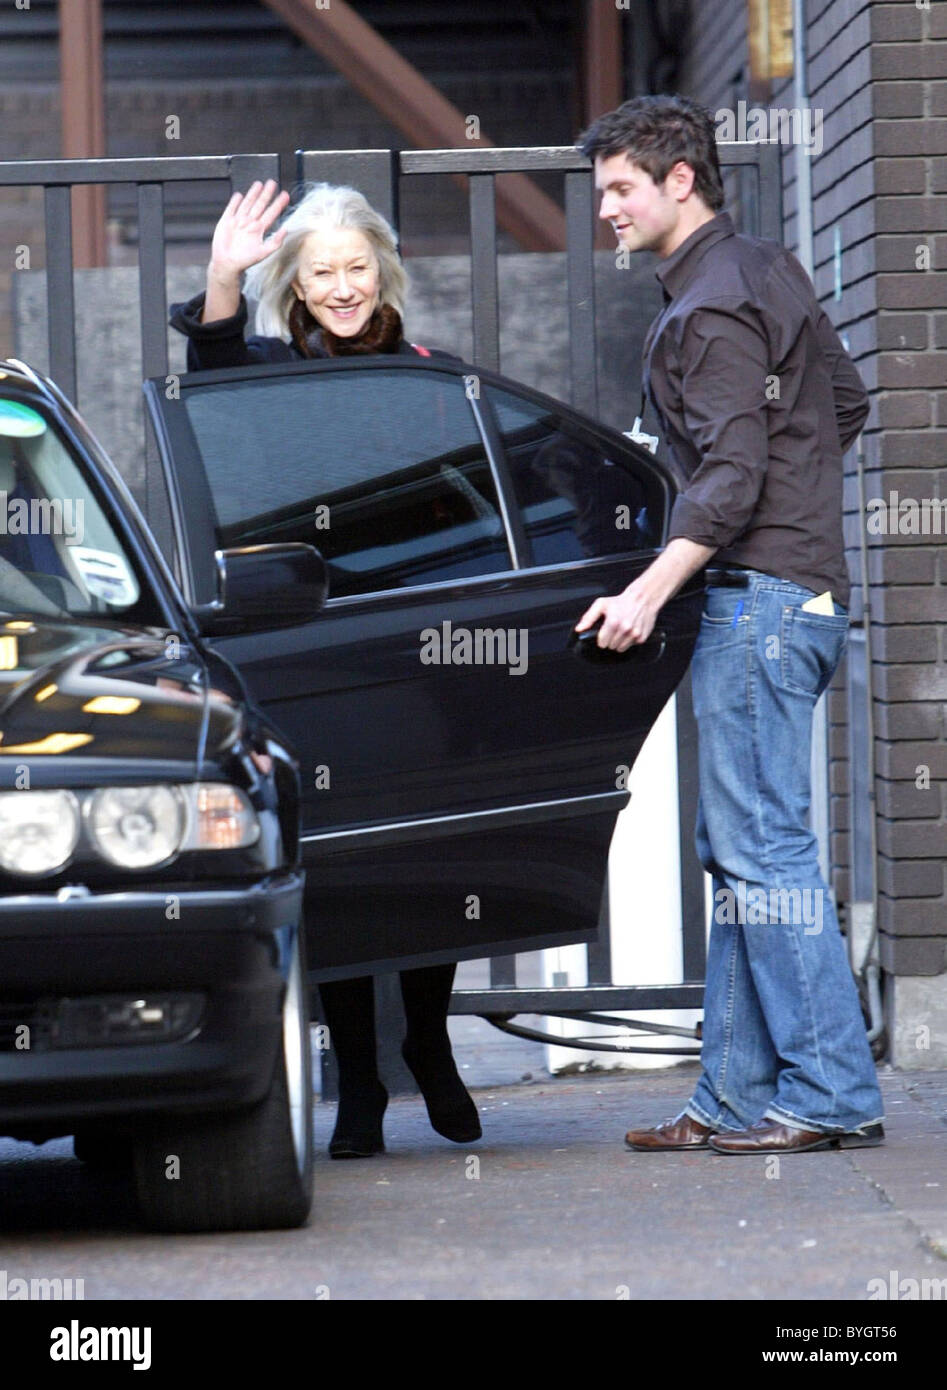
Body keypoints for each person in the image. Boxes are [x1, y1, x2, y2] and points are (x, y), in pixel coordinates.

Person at [574, 96, 885, 1155]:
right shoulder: (763, 269)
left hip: (754, 601)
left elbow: (730, 476)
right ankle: (733, 1096)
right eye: (601, 189)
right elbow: (842, 405)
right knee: (741, 847)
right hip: (797, 596)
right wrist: (792, 519)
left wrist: (645, 591)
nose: (605, 209)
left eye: (620, 188)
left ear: (677, 182)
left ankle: (831, 1094)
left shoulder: (703, 308)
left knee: (762, 853)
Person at [170, 179, 482, 1158]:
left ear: (380, 271)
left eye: (356, 268)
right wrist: (222, 276)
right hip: (317, 648)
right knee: (340, 864)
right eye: (322, 274)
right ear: (295, 288)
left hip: (427, 649)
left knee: (431, 860)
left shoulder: (433, 372)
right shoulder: (269, 367)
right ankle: (359, 1084)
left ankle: (429, 1046)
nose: (342, 288)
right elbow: (211, 371)